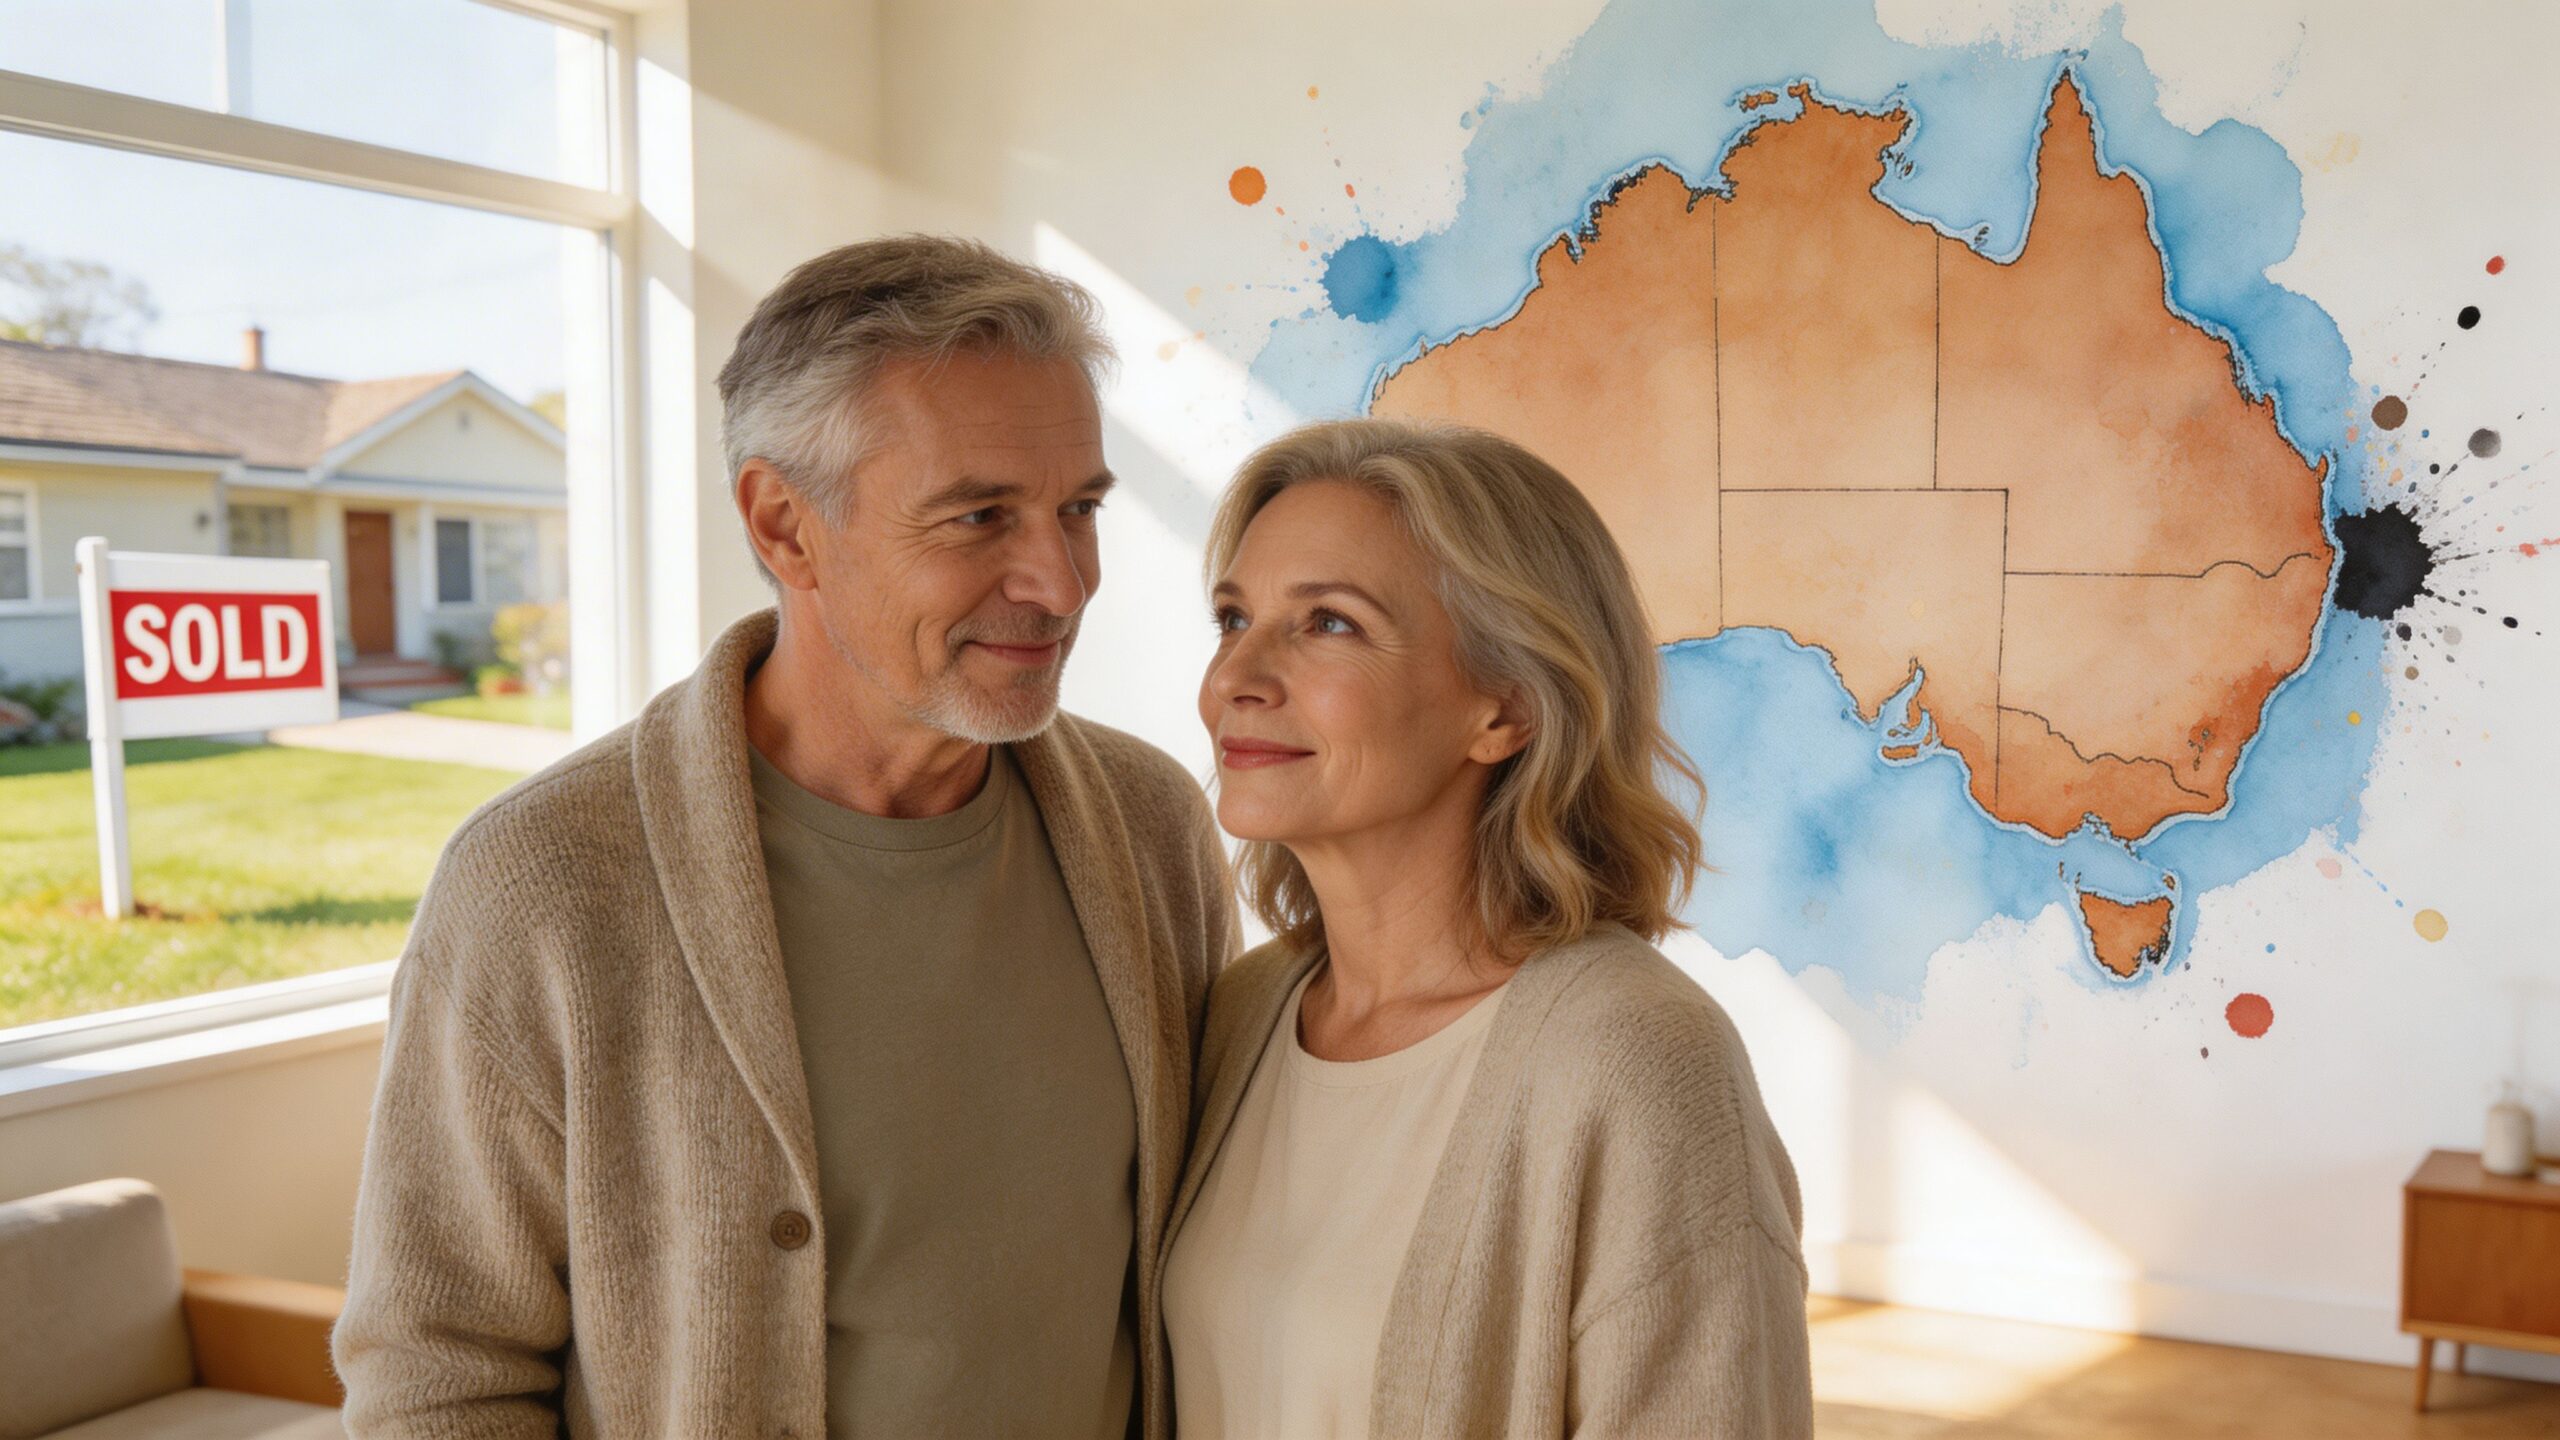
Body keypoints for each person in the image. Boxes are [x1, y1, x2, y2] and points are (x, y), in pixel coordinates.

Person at [333, 236, 1237, 1438]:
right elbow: (437, 1375)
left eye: (1078, 510)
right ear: (784, 526)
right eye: (978, 516)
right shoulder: (542, 885)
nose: (1061, 583)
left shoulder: (1152, 828)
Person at [1162, 418, 1811, 1438]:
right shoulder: (1243, 1016)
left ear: (1505, 708)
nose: (1235, 677)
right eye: (1233, 617)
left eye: (1328, 623)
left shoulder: (1639, 1060)